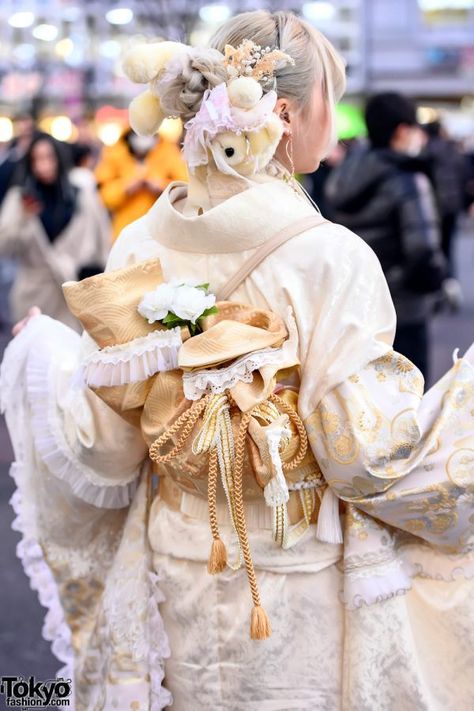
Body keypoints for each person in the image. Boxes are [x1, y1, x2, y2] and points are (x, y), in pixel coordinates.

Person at [1, 12, 474, 711]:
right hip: (290, 583)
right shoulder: (329, 257)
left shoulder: (136, 247)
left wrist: (45, 359)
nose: (330, 119)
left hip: (176, 572)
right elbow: (368, 456)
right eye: (324, 98)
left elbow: (103, 447)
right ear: (282, 113)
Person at [325, 92, 446, 380]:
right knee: (409, 396)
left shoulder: (344, 174)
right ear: (402, 131)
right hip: (404, 307)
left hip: (356, 306)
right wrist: (436, 282)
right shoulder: (408, 180)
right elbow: (423, 252)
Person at [0, 133, 111, 330]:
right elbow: (4, 246)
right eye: (37, 159)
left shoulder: (80, 194)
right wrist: (23, 217)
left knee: (72, 356)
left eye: (48, 157)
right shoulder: (21, 198)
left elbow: (101, 239)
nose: (43, 165)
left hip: (74, 294)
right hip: (33, 298)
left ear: (59, 158)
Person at [95, 128, 188, 241]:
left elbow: (185, 188)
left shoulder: (168, 151)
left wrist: (162, 187)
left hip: (161, 232)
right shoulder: (114, 153)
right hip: (125, 232)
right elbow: (104, 197)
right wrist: (125, 188)